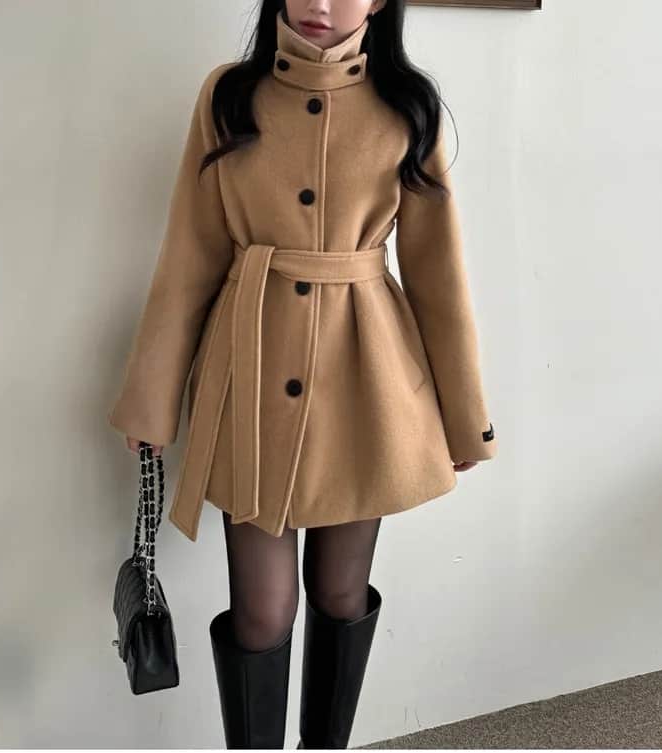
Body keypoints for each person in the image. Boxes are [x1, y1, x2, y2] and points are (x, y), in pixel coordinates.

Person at [108, 0, 498, 747]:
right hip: (250, 374)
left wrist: (464, 418)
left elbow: (438, 277)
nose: (319, 4)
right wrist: (151, 400)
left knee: (340, 594)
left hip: (366, 381)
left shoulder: (409, 107)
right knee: (263, 612)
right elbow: (190, 254)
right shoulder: (229, 96)